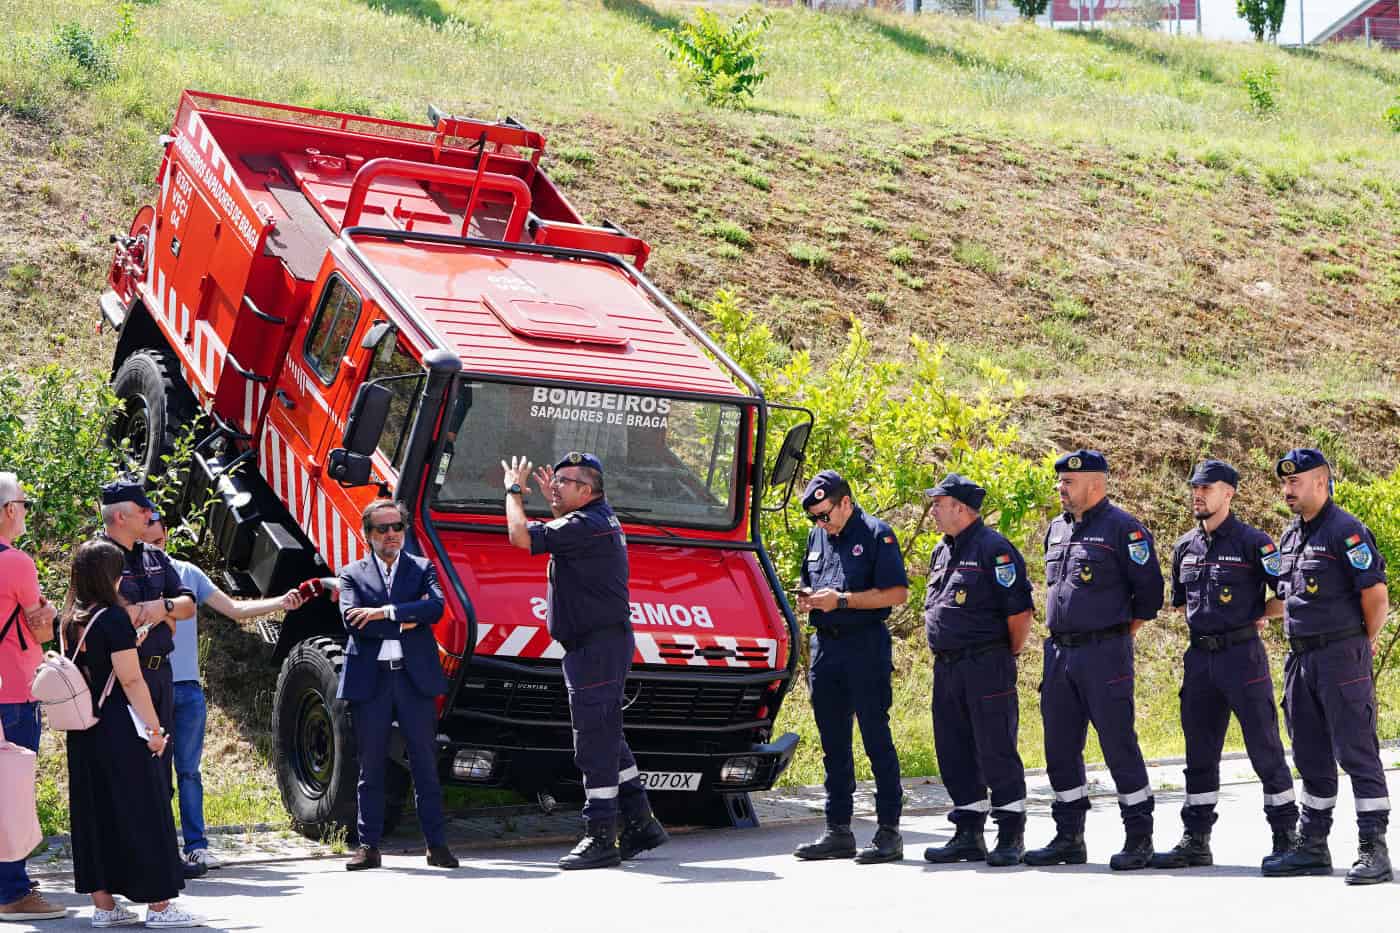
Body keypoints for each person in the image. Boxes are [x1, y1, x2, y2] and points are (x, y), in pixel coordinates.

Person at [502, 452, 668, 870]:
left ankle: (600, 835)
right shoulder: (590, 521)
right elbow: (555, 530)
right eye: (554, 478)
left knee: (593, 742)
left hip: (596, 647)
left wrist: (513, 490)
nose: (555, 485)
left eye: (565, 481)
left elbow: (520, 537)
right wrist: (555, 505)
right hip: (596, 646)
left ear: (587, 490)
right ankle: (642, 822)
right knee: (609, 735)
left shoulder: (585, 525)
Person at [1151, 460, 1299, 872]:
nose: (1198, 495)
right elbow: (1180, 602)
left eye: (1207, 488)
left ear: (1228, 493)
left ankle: (1287, 836)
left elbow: (1287, 594)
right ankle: (1196, 839)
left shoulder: (1255, 543)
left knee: (1265, 750)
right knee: (1199, 753)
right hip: (1199, 659)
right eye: (1194, 488)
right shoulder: (1185, 546)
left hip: (1242, 657)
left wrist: (1259, 613)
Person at [141, 513, 303, 874]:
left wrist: (280, 603)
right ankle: (160, 845)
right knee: (154, 773)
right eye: (147, 544)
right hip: (149, 687)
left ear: (167, 537)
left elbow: (235, 609)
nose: (155, 550)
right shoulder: (130, 577)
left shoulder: (186, 573)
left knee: (189, 772)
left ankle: (197, 846)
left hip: (187, 689)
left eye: (160, 543)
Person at [1026, 450, 1164, 871]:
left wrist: (1113, 634)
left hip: (1104, 653)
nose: (1061, 489)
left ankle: (1138, 837)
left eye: (1069, 482)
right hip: (1059, 653)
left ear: (1096, 485)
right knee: (1060, 747)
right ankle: (1069, 836)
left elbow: (1150, 597)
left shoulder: (1125, 530)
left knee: (1118, 743)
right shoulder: (1056, 529)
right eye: (1060, 482)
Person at [1263, 448, 1391, 885]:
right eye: (1284, 483)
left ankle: (1373, 847)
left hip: (1340, 656)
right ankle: (1313, 846)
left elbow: (1375, 599)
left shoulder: (1347, 532)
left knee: (1356, 750)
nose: (1287, 491)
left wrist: (1362, 642)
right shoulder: (1290, 537)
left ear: (1321, 482)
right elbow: (1290, 595)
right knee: (1309, 753)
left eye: (1295, 482)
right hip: (1301, 658)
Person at [64, 539, 204, 928]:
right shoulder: (113, 617)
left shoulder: (71, 618)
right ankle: (160, 905)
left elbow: (96, 664)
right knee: (145, 808)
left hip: (83, 727)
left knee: (96, 811)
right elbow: (130, 678)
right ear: (108, 576)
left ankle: (104, 906)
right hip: (120, 727)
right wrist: (154, 729)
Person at [789, 470, 909, 865]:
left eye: (826, 515)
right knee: (833, 745)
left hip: (864, 645)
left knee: (876, 739)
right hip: (826, 648)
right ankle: (837, 829)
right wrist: (811, 599)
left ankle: (888, 831)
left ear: (845, 501)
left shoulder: (877, 534)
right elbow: (812, 577)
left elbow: (896, 593)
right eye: (814, 518)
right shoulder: (818, 535)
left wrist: (841, 601)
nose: (821, 524)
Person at [919, 474, 1034, 868]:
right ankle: (968, 832)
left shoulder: (994, 550)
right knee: (953, 749)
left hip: (986, 663)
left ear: (962, 509)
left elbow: (1020, 613)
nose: (933, 509)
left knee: (995, 747)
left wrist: (1004, 654)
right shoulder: (942, 550)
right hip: (947, 666)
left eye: (940, 502)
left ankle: (1010, 833)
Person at [337, 499, 458, 871]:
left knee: (424, 763)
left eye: (397, 527)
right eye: (383, 529)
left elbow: (436, 609)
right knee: (370, 766)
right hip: (371, 682)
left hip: (413, 678)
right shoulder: (351, 574)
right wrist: (409, 617)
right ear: (368, 534)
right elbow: (352, 621)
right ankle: (368, 846)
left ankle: (436, 845)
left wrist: (385, 612)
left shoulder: (422, 568)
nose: (392, 535)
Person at [96, 480, 195, 806]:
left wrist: (160, 608)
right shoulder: (98, 559)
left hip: (159, 675)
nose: (150, 516)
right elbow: (120, 617)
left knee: (160, 771)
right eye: (143, 511)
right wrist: (162, 612)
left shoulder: (154, 556)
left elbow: (187, 606)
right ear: (121, 517)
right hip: (120, 680)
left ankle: (163, 854)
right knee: (126, 770)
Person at [0, 473, 65, 923]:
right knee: (13, 789)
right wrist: (53, 614)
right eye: (23, 503)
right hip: (14, 689)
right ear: (7, 510)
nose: (25, 510)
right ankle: (13, 891)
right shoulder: (17, 563)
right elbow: (42, 624)